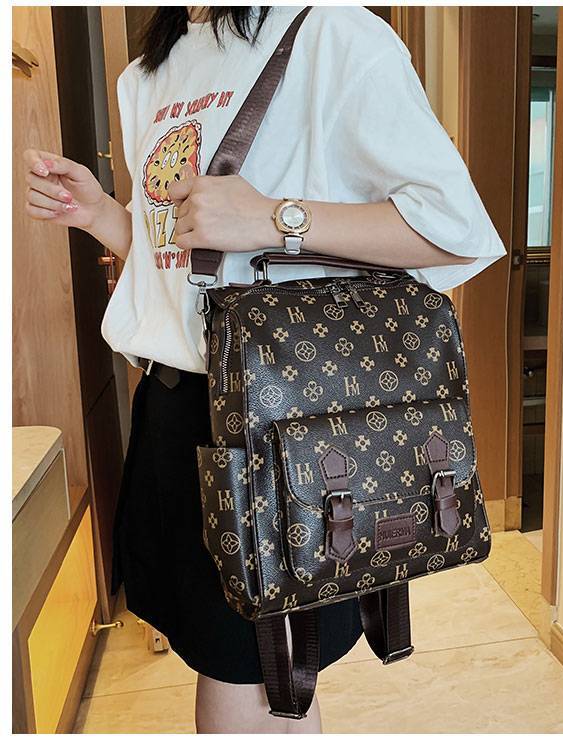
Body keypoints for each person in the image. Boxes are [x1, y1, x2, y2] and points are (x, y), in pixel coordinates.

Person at [23, 5, 505, 734]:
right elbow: (184, 269)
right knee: (274, 683)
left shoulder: (332, 33)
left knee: (248, 678)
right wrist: (101, 217)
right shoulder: (145, 74)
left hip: (283, 427)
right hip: (174, 410)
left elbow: (454, 228)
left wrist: (276, 218)